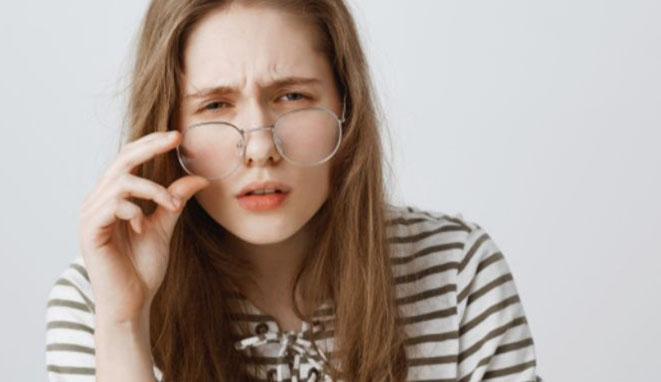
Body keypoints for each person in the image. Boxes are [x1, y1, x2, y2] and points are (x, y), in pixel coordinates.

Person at [46, 1, 541, 381]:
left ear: (346, 108)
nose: (260, 147)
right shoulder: (98, 299)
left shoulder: (458, 273)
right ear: (167, 128)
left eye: (291, 96)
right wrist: (123, 324)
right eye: (216, 105)